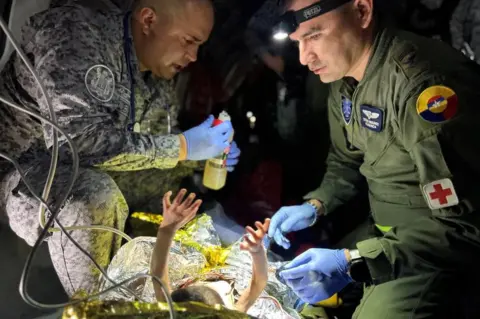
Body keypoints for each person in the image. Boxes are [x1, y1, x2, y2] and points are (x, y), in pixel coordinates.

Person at [0, 0, 241, 296]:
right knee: (95, 196)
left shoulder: (153, 74)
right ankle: (100, 309)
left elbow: (147, 142)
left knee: (174, 193)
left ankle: (164, 288)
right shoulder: (76, 34)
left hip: (87, 168)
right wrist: (181, 147)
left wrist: (202, 157)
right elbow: (76, 143)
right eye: (188, 41)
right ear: (149, 20)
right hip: (23, 174)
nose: (192, 56)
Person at [267, 0, 480, 317]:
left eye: (314, 36)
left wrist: (354, 262)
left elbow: (464, 229)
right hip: (384, 232)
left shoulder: (422, 87)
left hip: (433, 250)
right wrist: (316, 204)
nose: (303, 57)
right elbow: (346, 162)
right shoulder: (345, 78)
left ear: (362, 11)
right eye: (298, 43)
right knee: (294, 303)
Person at [150, 189, 270, 313]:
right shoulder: (233, 312)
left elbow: (157, 272)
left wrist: (167, 228)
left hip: (195, 274)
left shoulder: (170, 310)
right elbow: (259, 282)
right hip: (233, 273)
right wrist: (257, 252)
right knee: (250, 240)